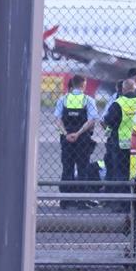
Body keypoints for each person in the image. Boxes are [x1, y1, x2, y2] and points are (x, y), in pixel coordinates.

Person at [55, 74, 99, 209]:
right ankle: (81, 201)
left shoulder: (63, 99)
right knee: (82, 169)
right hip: (83, 139)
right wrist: (78, 133)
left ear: (72, 84)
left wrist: (66, 134)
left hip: (66, 140)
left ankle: (65, 200)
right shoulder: (88, 100)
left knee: (67, 169)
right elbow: (91, 120)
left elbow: (58, 119)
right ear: (83, 85)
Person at [101, 77, 136, 211]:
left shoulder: (118, 103)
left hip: (121, 145)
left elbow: (108, 121)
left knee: (121, 174)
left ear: (123, 89)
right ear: (135, 88)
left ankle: (124, 204)